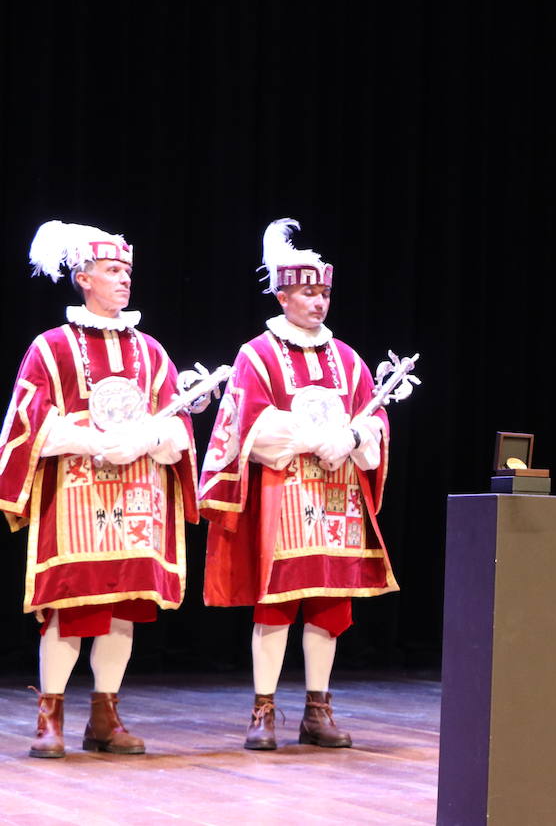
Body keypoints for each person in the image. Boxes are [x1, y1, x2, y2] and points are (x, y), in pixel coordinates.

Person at [0, 221, 197, 758]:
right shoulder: (52, 348)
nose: (123, 281)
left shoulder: (151, 351)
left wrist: (146, 438)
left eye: (127, 272)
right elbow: (25, 422)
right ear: (83, 278)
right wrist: (91, 441)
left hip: (137, 498)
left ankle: (105, 715)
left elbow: (177, 425)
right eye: (112, 271)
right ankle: (51, 715)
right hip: (76, 498)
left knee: (121, 607)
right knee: (70, 604)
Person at [198, 219, 393, 751]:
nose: (318, 302)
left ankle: (317, 708)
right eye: (308, 292)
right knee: (277, 602)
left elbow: (373, 420)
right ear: (282, 295)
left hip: (337, 497)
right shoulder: (257, 355)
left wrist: (354, 434)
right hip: (285, 496)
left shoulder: (348, 359)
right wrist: (313, 438)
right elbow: (247, 428)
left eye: (324, 291)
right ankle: (264, 710)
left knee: (331, 603)